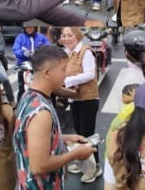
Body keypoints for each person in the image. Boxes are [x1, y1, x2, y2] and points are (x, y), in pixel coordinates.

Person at [14, 45, 95, 189]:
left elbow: (32, 139)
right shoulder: (41, 112)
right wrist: (75, 154)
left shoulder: (29, 96)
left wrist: (64, 138)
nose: (67, 73)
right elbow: (39, 166)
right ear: (47, 73)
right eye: (63, 69)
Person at [58, 27, 101, 183]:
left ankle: (94, 168)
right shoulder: (68, 53)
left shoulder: (85, 51)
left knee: (87, 135)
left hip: (87, 100)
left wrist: (68, 81)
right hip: (74, 99)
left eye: (70, 35)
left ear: (77, 35)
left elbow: (90, 73)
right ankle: (82, 162)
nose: (67, 38)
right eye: (64, 35)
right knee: (79, 133)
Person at [13, 21, 50, 102]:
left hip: (38, 67)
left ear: (35, 27)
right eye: (27, 27)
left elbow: (48, 48)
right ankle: (20, 104)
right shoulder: (20, 37)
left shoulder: (42, 37)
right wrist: (23, 53)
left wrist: (39, 52)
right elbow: (15, 51)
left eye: (31, 27)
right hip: (23, 67)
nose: (29, 29)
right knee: (22, 89)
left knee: (41, 89)